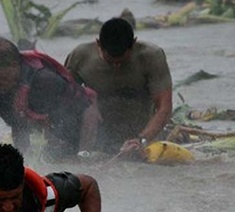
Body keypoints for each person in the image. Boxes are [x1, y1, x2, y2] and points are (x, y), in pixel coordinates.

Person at [64, 17, 173, 156]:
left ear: (133, 44)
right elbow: (63, 99)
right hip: (97, 142)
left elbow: (164, 107)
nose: (116, 66)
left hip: (140, 140)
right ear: (98, 44)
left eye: (122, 61)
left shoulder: (151, 57)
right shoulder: (80, 57)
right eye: (110, 61)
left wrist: (142, 139)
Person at [0, 37, 100, 161]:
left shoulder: (45, 80)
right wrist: (22, 162)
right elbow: (18, 127)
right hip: (52, 134)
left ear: (14, 66)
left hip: (87, 133)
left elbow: (88, 109)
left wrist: (84, 155)